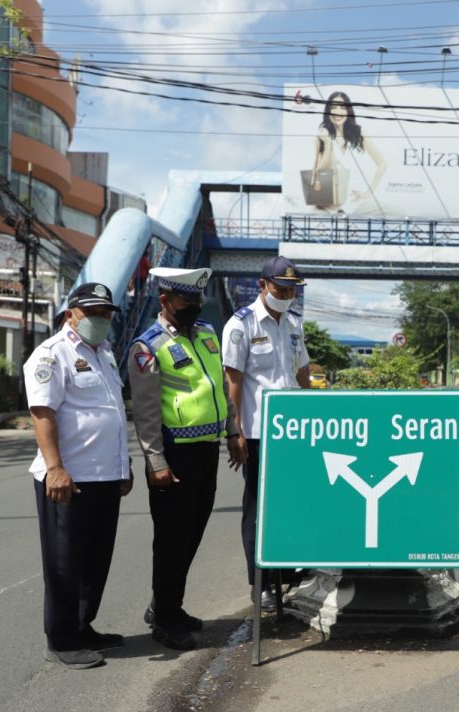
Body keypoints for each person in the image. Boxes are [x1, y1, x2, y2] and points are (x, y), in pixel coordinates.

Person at [128, 267, 246, 650]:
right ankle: (164, 618)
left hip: (207, 449)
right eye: (186, 302)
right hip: (174, 454)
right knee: (171, 538)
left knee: (192, 533)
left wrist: (232, 430)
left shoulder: (208, 336)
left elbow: (220, 390)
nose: (193, 308)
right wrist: (155, 462)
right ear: (165, 301)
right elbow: (146, 413)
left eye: (197, 301)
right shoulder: (148, 347)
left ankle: (169, 605)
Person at [25, 282, 132, 669]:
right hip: (68, 479)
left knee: (95, 560)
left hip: (105, 477)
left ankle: (83, 626)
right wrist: (55, 468)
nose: (101, 320)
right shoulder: (52, 355)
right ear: (71, 313)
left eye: (106, 313)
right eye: (93, 313)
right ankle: (62, 639)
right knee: (65, 563)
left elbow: (113, 414)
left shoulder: (105, 354)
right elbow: (42, 413)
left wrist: (124, 466)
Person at [222, 255, 311, 611]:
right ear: (263, 285)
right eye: (282, 288)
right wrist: (235, 432)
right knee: (258, 511)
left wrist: (316, 415)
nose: (288, 294)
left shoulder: (293, 324)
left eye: (293, 289)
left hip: (293, 435)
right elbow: (233, 381)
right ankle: (260, 584)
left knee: (291, 505)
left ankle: (285, 575)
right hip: (258, 435)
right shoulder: (240, 325)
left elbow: (301, 373)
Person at [309, 90, 387, 214]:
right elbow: (319, 172)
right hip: (327, 205)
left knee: (395, 210)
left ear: (348, 111)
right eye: (333, 107)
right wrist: (328, 144)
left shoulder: (359, 134)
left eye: (343, 108)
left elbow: (382, 164)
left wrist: (368, 192)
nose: (338, 112)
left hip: (354, 202)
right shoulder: (322, 136)